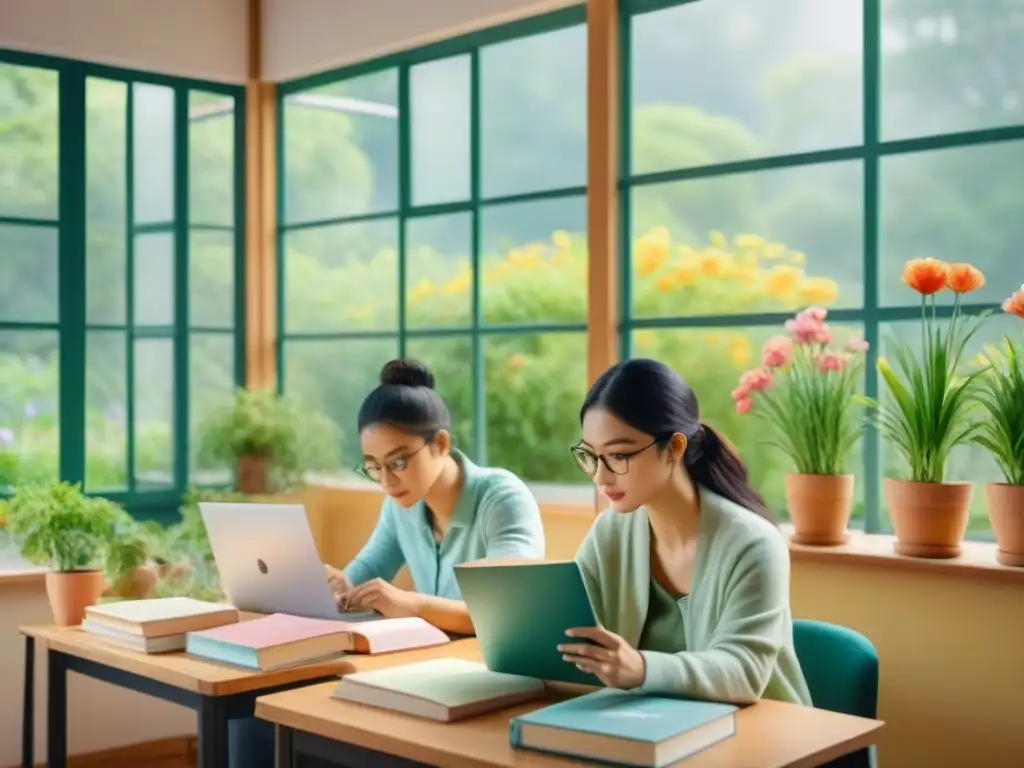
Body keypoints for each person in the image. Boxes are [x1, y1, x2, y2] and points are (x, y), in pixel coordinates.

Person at [231, 358, 546, 767]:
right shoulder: (401, 505)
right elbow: (360, 575)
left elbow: (508, 616)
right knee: (259, 719)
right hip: (427, 671)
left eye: (398, 462)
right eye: (374, 467)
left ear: (441, 444)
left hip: (488, 677)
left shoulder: (501, 499)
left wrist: (411, 604)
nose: (386, 480)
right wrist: (333, 585)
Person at [557, 358, 811, 706]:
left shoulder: (753, 544)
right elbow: (569, 630)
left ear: (675, 447)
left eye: (618, 455)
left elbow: (745, 670)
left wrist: (641, 668)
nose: (601, 477)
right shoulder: (611, 531)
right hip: (652, 728)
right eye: (590, 456)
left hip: (761, 736)